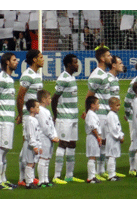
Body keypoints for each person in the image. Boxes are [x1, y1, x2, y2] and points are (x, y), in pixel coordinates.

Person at [51, 54, 84, 184]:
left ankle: (69, 175)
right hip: (64, 117)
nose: (77, 65)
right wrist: (56, 115)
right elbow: (54, 98)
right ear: (69, 64)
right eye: (75, 62)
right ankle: (56, 176)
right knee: (63, 143)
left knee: (72, 144)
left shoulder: (71, 78)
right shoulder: (63, 78)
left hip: (73, 117)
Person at [17, 49, 44, 187]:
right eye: (40, 57)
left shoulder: (36, 75)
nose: (43, 59)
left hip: (35, 115)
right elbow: (20, 96)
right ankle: (24, 178)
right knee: (28, 145)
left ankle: (25, 177)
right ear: (34, 59)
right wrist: (21, 115)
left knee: (28, 146)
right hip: (28, 116)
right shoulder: (28, 75)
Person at [0, 52, 18, 190]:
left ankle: (3, 179)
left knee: (5, 150)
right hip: (1, 120)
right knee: (0, 149)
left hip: (7, 120)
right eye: (14, 60)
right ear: (7, 62)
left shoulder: (8, 79)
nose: (17, 61)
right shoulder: (1, 78)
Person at [86, 47, 112, 181]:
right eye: (108, 55)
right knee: (99, 142)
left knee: (104, 143)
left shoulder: (104, 74)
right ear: (102, 59)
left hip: (106, 114)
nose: (111, 57)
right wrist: (87, 113)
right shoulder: (96, 75)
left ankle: (101, 171)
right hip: (100, 114)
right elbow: (89, 96)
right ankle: (95, 173)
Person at [35, 90, 59, 187]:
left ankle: (46, 179)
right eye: (49, 98)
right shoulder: (40, 111)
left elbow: (51, 125)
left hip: (49, 138)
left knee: (47, 159)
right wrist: (52, 136)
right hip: (43, 138)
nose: (50, 100)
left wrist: (55, 135)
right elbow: (44, 127)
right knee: (43, 158)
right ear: (44, 99)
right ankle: (41, 180)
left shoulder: (46, 111)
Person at [22, 99, 42, 189]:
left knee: (33, 163)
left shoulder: (34, 119)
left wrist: (39, 145)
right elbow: (31, 134)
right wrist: (34, 146)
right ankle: (28, 183)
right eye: (37, 107)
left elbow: (37, 134)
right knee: (30, 163)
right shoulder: (30, 120)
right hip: (30, 145)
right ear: (31, 109)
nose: (39, 109)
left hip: (34, 144)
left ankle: (31, 180)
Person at [105, 97, 125, 181]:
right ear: (111, 106)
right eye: (117, 105)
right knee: (112, 156)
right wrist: (119, 136)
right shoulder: (111, 115)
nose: (118, 107)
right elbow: (113, 129)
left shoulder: (114, 115)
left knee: (113, 156)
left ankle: (113, 173)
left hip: (114, 138)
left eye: (119, 105)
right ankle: (111, 175)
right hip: (112, 138)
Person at [85, 96, 103, 183]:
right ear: (92, 105)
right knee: (92, 157)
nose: (99, 105)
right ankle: (90, 177)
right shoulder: (91, 114)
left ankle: (93, 176)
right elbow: (93, 128)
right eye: (97, 103)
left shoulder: (92, 114)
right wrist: (98, 137)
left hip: (94, 137)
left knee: (93, 157)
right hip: (92, 137)